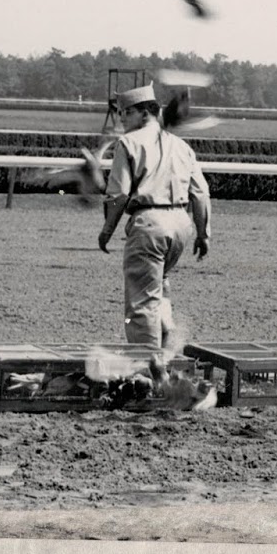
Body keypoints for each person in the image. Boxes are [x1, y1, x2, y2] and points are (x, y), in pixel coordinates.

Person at [97, 84, 211, 370]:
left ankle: (146, 372)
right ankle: (167, 350)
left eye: (126, 113)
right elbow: (201, 192)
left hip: (149, 224)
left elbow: (119, 195)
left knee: (141, 303)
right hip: (180, 227)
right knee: (159, 289)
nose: (122, 119)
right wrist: (203, 233)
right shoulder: (181, 145)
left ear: (145, 113)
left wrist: (107, 230)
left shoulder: (128, 143)